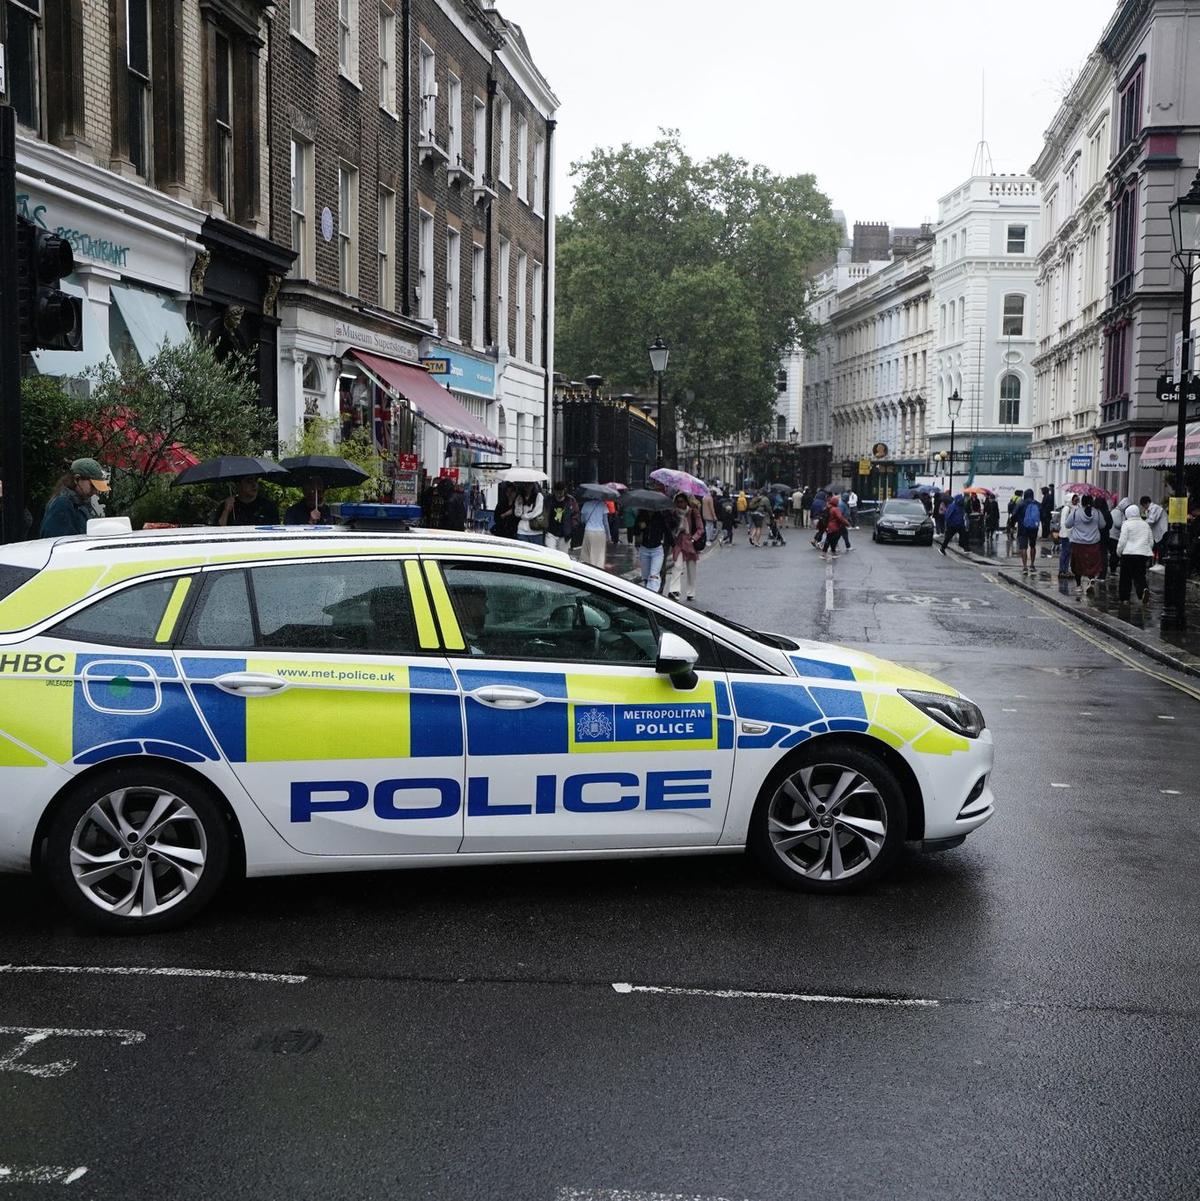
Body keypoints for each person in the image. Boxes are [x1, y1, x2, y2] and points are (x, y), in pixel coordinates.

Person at [39, 458, 110, 538]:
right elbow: (57, 543)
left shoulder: (78, 503)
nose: (95, 491)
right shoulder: (62, 504)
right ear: (76, 479)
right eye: (92, 486)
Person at [665, 493, 703, 600]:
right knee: (677, 566)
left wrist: (693, 538)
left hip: (690, 544)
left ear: (686, 502)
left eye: (681, 501)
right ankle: (674, 591)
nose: (679, 504)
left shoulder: (693, 512)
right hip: (679, 543)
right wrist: (672, 516)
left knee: (691, 569)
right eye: (677, 502)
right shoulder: (674, 513)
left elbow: (700, 528)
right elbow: (670, 527)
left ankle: (691, 592)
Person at [1116, 503, 1153, 606]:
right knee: (1140, 575)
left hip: (1128, 554)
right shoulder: (1145, 524)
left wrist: (1119, 552)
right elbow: (1151, 541)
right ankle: (1143, 591)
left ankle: (1125, 598)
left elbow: (1122, 541)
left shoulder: (1126, 524)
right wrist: (1146, 549)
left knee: (1125, 577)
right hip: (1142, 554)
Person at [1065, 494, 1104, 594]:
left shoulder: (1076, 512)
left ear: (1082, 501)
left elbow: (1067, 524)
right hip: (1094, 542)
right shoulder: (1097, 512)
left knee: (1078, 564)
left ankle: (1078, 586)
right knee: (1092, 562)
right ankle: (1091, 579)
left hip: (1078, 543)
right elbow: (1102, 525)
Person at [215, 476, 279, 526]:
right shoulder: (228, 506)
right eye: (249, 481)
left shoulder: (268, 506)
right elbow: (217, 531)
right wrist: (226, 511)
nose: (254, 485)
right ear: (238, 485)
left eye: (256, 480)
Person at [635, 503, 671, 592]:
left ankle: (652, 597)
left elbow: (667, 531)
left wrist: (674, 545)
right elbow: (634, 532)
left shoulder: (660, 517)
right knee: (646, 577)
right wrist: (640, 527)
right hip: (644, 550)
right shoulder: (641, 517)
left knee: (654, 576)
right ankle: (648, 595)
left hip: (657, 550)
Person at [578, 494, 610, 567]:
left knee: (587, 553)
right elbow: (605, 522)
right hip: (600, 532)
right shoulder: (603, 505)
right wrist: (609, 536)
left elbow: (582, 520)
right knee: (599, 554)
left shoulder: (586, 505)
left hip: (588, 531)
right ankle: (598, 569)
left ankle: (587, 568)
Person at [1013, 488, 1040, 573]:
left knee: (1023, 547)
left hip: (1023, 528)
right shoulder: (1037, 504)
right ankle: (1032, 564)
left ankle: (1025, 567)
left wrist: (1013, 524)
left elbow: (1014, 514)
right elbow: (1042, 514)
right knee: (1033, 546)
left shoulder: (1021, 503)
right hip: (1034, 528)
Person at [545, 482, 577, 553]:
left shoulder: (570, 500)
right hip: (551, 532)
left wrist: (573, 527)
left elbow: (575, 514)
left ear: (564, 491)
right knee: (550, 553)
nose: (559, 495)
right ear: (554, 491)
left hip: (564, 533)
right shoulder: (550, 500)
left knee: (562, 555)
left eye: (561, 493)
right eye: (557, 493)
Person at [1057, 494, 1079, 578]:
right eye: (1074, 500)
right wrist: (1066, 532)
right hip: (1066, 534)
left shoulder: (1076, 508)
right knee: (1065, 552)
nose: (1076, 502)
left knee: (1069, 553)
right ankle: (1062, 570)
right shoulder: (1066, 508)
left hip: (1073, 534)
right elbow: (1063, 522)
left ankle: (1066, 569)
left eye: (1077, 500)